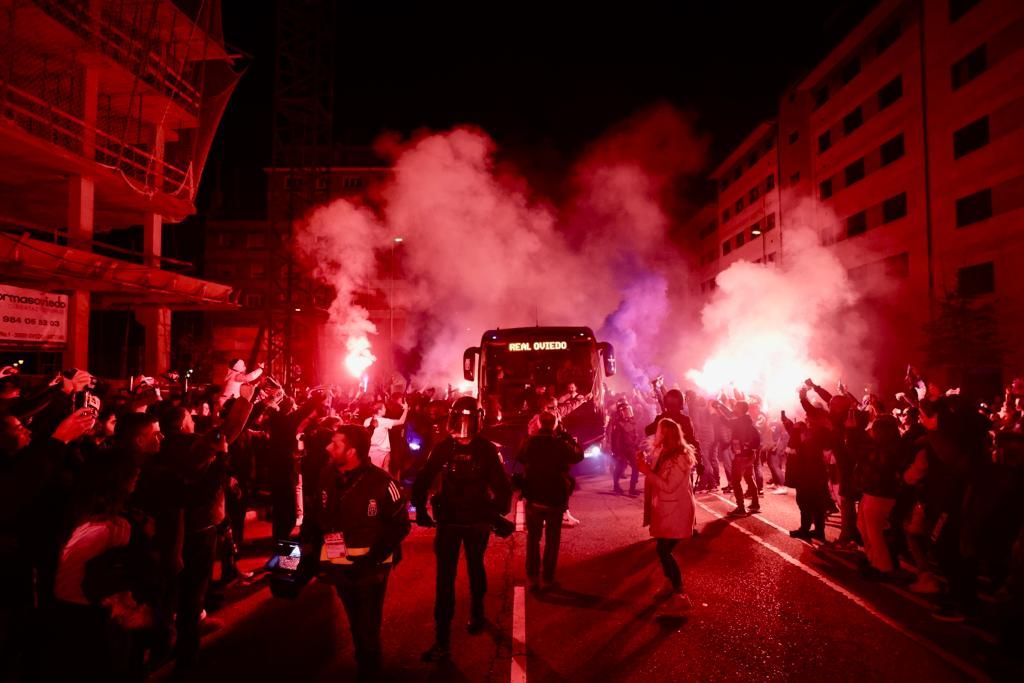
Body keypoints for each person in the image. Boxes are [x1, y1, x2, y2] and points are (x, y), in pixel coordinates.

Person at [301, 425, 411, 681]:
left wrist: (370, 562)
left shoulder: (383, 483)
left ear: (352, 452)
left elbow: (400, 526)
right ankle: (365, 660)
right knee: (355, 621)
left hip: (370, 573)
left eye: (336, 444)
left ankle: (369, 670)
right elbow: (316, 515)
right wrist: (304, 551)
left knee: (367, 626)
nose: (328, 447)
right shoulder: (327, 475)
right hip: (338, 568)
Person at [412, 396, 513, 663]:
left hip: (473, 521)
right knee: (447, 579)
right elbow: (423, 478)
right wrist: (420, 508)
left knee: (471, 568)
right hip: (452, 521)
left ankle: (475, 614)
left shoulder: (484, 450)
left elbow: (502, 488)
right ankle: (443, 638)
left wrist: (495, 514)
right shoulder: (448, 448)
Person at [516, 411, 583, 591]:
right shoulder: (560, 444)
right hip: (555, 499)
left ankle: (532, 577)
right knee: (552, 540)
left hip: (534, 497)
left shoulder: (530, 443)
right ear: (555, 425)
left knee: (533, 539)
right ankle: (547, 578)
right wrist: (567, 435)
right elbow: (578, 455)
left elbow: (519, 457)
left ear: (539, 425)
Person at [636, 418, 698, 612]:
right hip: (665, 509)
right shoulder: (663, 452)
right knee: (661, 548)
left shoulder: (680, 457)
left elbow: (669, 486)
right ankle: (670, 583)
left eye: (659, 431)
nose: (656, 434)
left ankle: (679, 590)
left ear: (667, 434)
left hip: (676, 509)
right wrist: (645, 463)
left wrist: (646, 471)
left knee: (664, 550)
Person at [711, 400, 762, 515]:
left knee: (735, 481)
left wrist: (718, 409)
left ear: (740, 409)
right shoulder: (748, 421)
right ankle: (755, 504)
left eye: (736, 407)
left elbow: (726, 421)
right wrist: (751, 448)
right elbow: (757, 438)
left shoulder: (740, 422)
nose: (734, 408)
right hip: (750, 455)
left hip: (741, 456)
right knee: (749, 478)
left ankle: (741, 508)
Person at [363, 398, 409, 472]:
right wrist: (406, 409)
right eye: (384, 408)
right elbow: (401, 421)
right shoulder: (384, 421)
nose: (385, 409)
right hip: (380, 452)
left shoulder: (366, 420)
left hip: (372, 451)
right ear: (379, 411)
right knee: (379, 473)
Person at [608, 399, 643, 495]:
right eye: (625, 411)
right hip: (622, 450)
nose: (628, 413)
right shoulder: (618, 424)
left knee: (635, 467)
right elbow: (617, 440)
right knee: (620, 467)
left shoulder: (632, 422)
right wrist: (617, 453)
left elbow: (635, 435)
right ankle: (616, 485)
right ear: (621, 413)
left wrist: (637, 444)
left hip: (631, 448)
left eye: (628, 410)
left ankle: (632, 488)